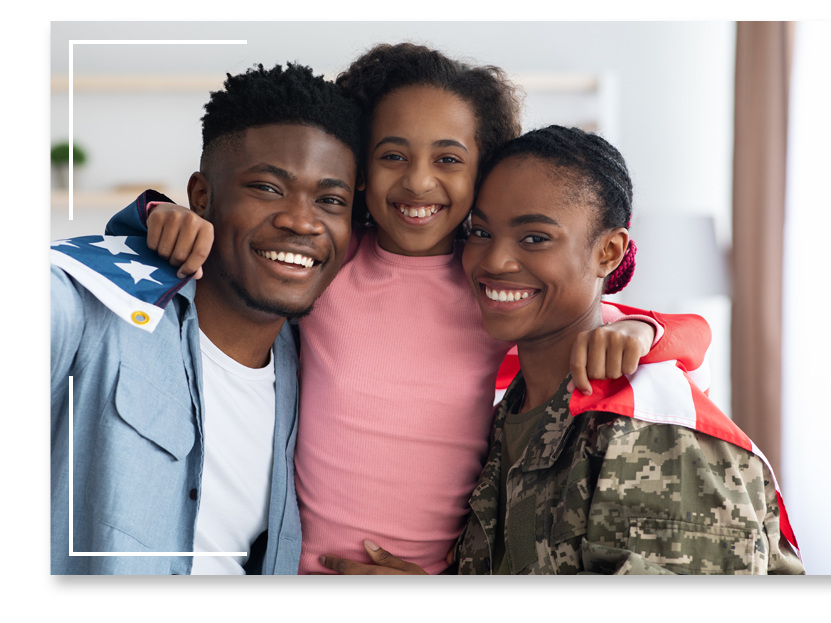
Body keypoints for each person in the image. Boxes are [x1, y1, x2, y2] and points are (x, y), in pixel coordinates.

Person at [115, 44, 712, 575]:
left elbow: (690, 334)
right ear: (358, 168)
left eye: (448, 159)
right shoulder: (328, 263)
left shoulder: (493, 286)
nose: (418, 182)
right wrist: (156, 213)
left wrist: (643, 330)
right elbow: (221, 246)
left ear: (481, 171)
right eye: (393, 156)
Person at [319, 125, 804, 575]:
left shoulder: (649, 430)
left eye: (535, 238)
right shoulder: (514, 409)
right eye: (481, 232)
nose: (494, 260)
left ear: (608, 252)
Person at [49, 63, 363, 575]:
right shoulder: (97, 305)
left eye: (331, 200)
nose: (302, 221)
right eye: (267, 188)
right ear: (201, 197)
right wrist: (134, 232)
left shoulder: (317, 365)